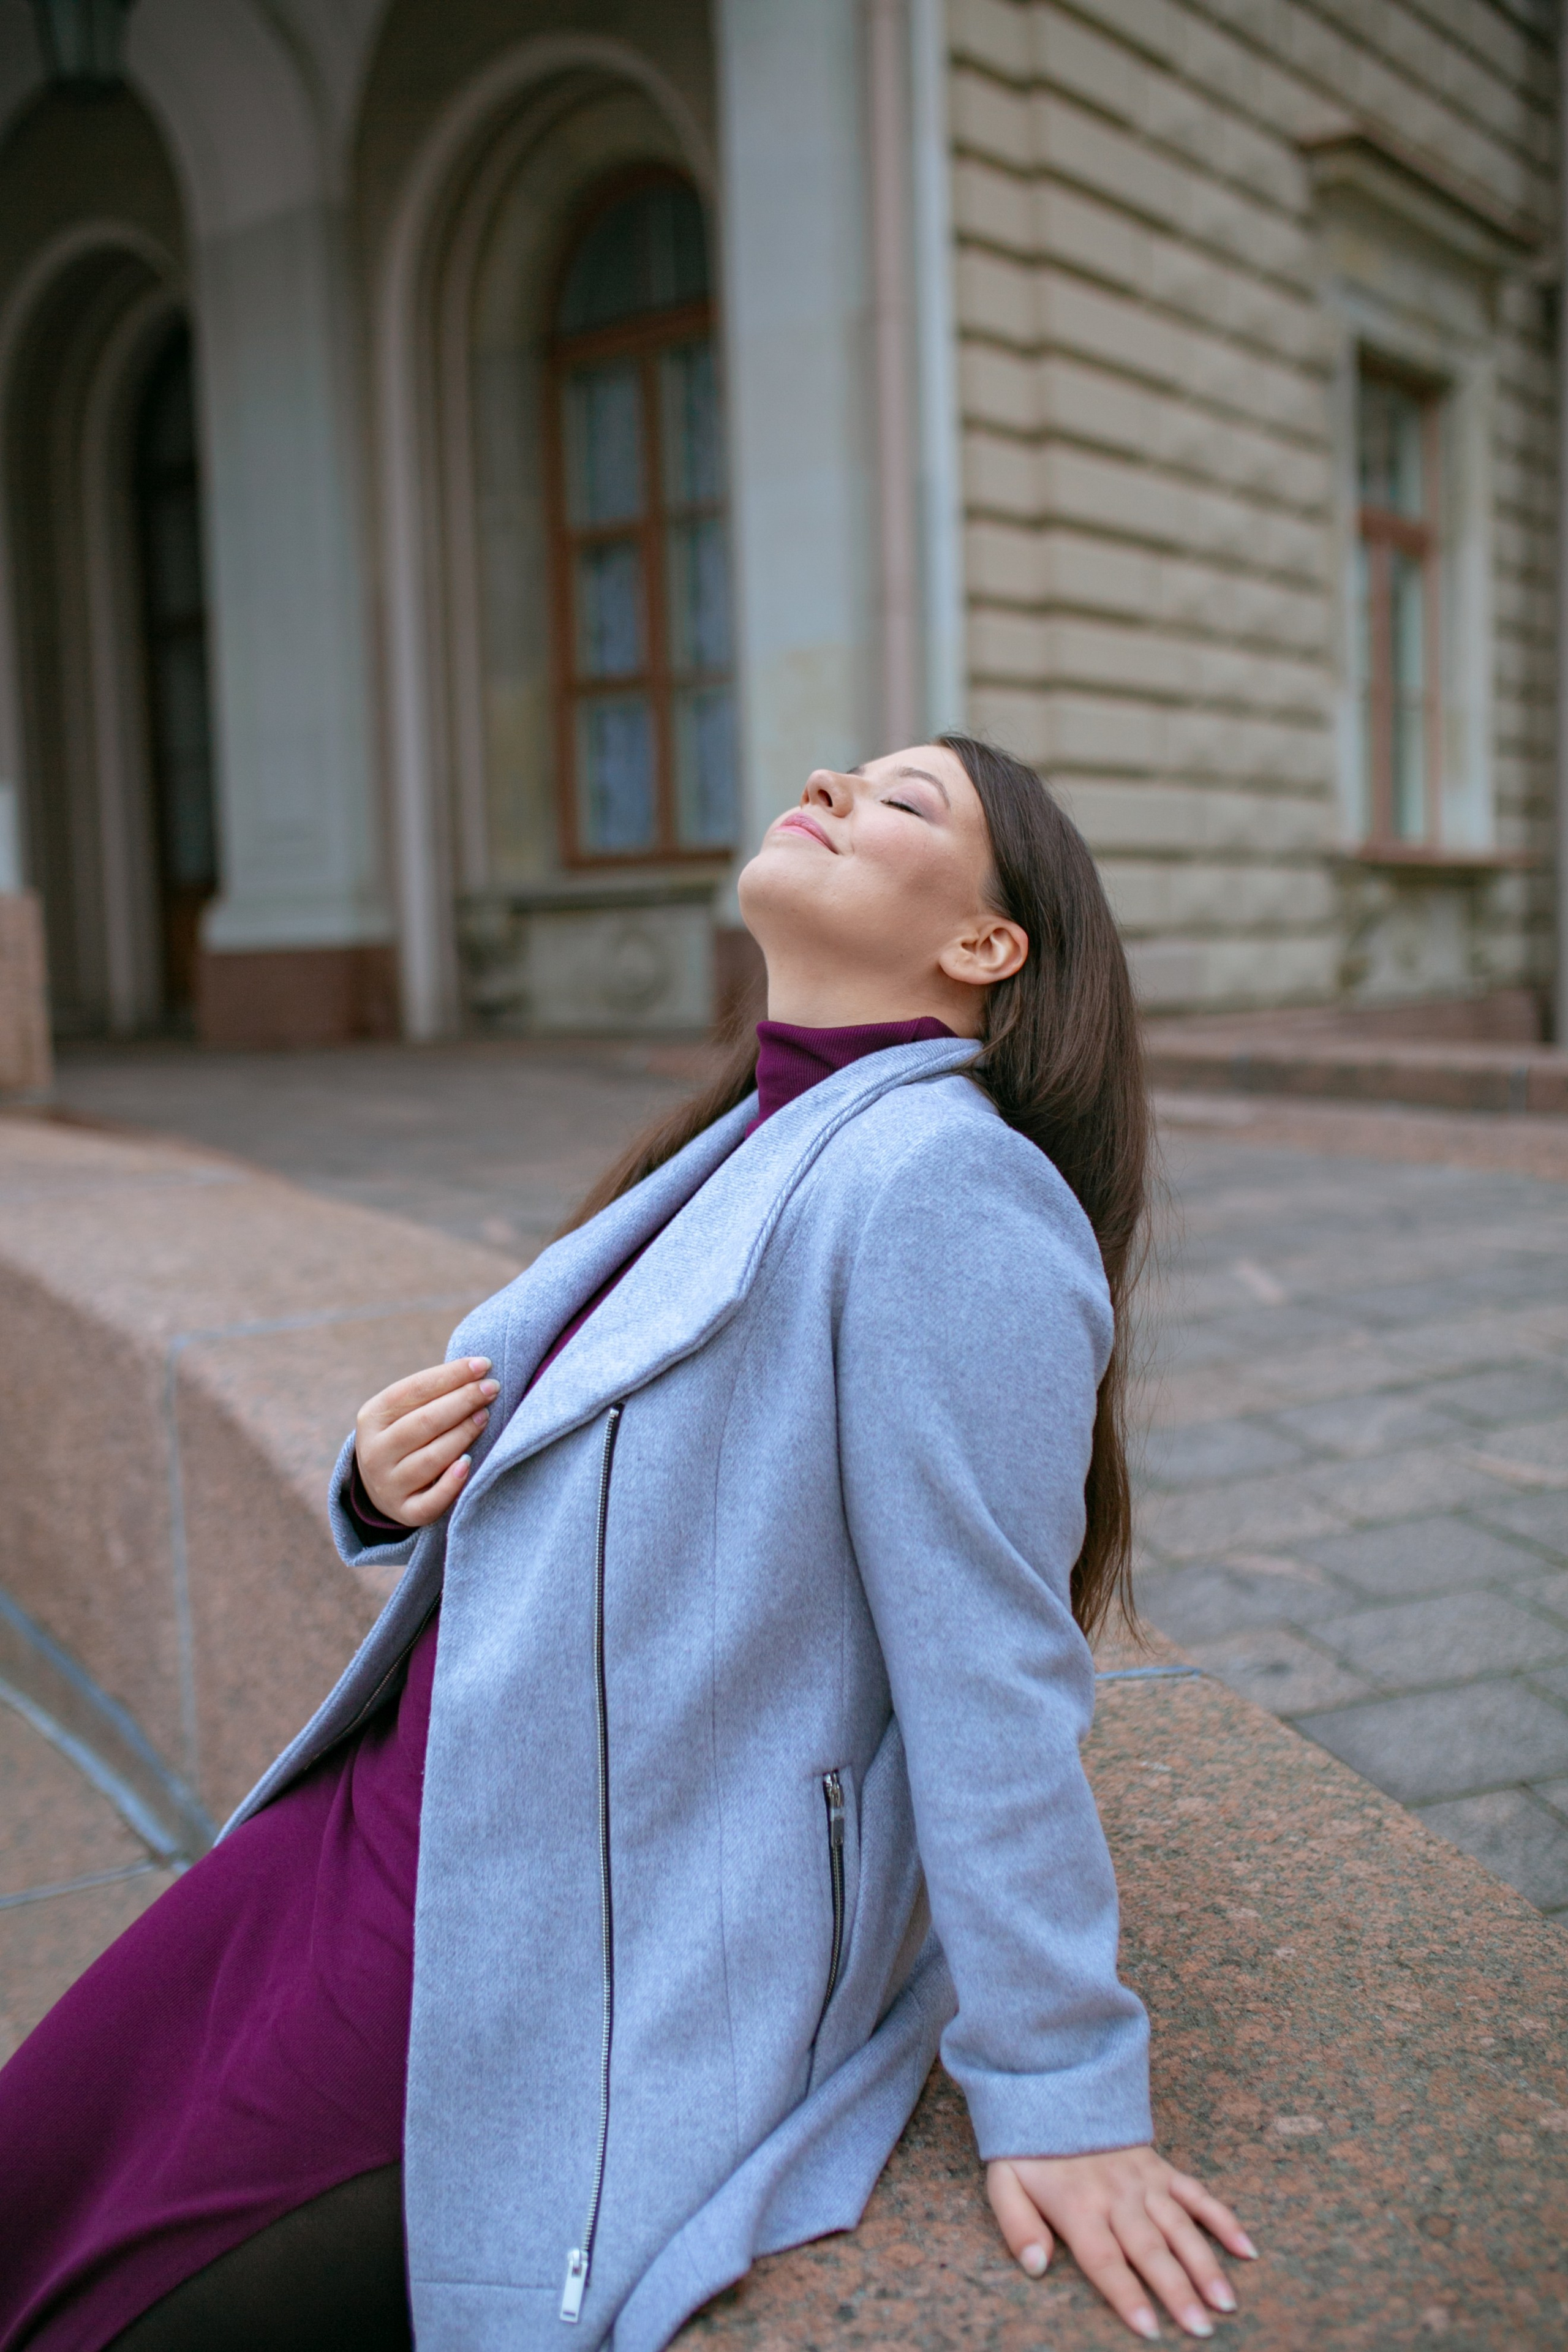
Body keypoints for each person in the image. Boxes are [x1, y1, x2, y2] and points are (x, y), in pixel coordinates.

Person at [0, 737, 1253, 2351]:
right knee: (37, 2178)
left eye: (905, 800)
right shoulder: (756, 1125)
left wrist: (1064, 2087)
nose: (832, 780)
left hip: (553, 1938)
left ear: (985, 948)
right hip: (381, 1830)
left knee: (131, 2303)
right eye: (848, 770)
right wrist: (389, 1482)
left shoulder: (946, 1189)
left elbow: (994, 1675)